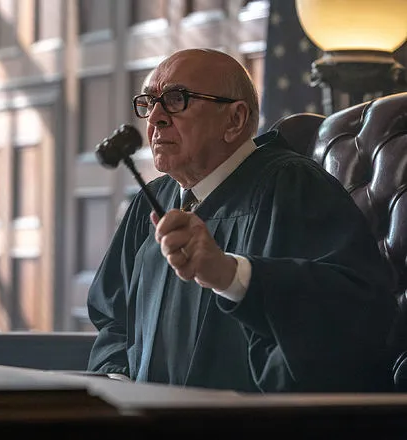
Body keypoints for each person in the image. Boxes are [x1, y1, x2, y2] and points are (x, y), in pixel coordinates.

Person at [86, 48, 399, 393]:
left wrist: (231, 274)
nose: (155, 117)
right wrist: (118, 383)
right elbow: (113, 318)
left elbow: (352, 313)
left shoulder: (292, 186)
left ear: (235, 119)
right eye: (149, 102)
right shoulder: (150, 200)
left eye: (176, 99)